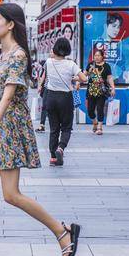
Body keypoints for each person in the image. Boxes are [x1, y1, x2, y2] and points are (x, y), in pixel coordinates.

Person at [0, 3, 80, 256]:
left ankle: (62, 231)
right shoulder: (3, 55)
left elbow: (7, 95)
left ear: (10, 24)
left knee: (11, 194)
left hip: (10, 128)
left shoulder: (17, 55)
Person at [44, 38, 87, 166]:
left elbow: (48, 75)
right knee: (66, 127)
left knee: (54, 129)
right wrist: (74, 78)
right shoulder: (71, 64)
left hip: (51, 97)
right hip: (65, 98)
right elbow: (83, 79)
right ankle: (60, 148)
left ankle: (53, 157)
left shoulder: (48, 62)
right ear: (67, 50)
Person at [84, 50, 116, 135]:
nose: (96, 57)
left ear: (102, 56)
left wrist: (113, 88)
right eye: (95, 56)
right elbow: (84, 75)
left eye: (98, 55)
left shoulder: (106, 66)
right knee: (90, 111)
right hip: (91, 91)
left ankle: (100, 127)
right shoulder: (90, 65)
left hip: (102, 91)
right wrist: (88, 72)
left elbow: (109, 78)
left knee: (100, 109)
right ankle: (94, 122)